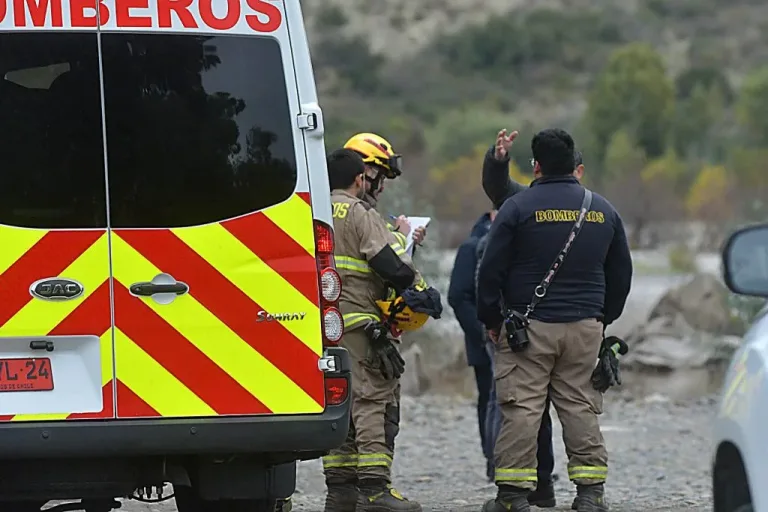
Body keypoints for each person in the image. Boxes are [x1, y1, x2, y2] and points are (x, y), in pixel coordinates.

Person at [476, 128, 633, 512]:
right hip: (585, 327)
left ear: (536, 166)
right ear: (576, 167)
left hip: (528, 331)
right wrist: (601, 320)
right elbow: (622, 275)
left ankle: (513, 498)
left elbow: (489, 271)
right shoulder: (604, 210)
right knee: (581, 407)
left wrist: (493, 319)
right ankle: (590, 495)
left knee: (522, 409)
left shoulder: (517, 208)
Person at [323, 148, 429, 512]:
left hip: (326, 325)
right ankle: (374, 492)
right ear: (358, 179)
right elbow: (387, 263)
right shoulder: (359, 212)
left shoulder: (313, 210)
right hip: (361, 321)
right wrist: (404, 238)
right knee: (372, 402)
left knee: (340, 402)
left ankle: (340, 494)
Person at [448, 209, 499, 482]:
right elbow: (457, 295)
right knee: (490, 400)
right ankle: (493, 461)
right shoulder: (471, 247)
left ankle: (529, 464)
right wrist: (480, 331)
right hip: (483, 340)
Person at [343, 132, 427, 251]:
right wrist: (402, 235)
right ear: (366, 172)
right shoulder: (357, 215)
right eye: (380, 179)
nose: (381, 188)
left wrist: (410, 240)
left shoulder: (356, 211)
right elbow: (385, 257)